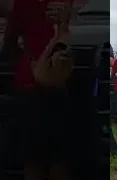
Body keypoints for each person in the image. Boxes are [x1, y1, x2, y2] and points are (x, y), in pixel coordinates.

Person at [0, 1, 79, 180]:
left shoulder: (24, 5)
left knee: (33, 160)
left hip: (30, 88)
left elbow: (9, 43)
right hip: (59, 84)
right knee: (59, 158)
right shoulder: (65, 3)